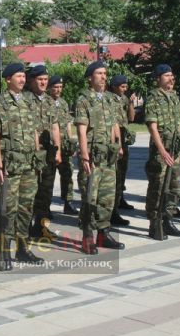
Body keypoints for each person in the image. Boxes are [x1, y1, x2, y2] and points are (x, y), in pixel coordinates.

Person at [0, 62, 44, 270]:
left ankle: (23, 248)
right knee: (7, 210)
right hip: (10, 165)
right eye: (18, 76)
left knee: (25, 208)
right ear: (8, 79)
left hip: (29, 164)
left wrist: (38, 157)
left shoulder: (28, 102)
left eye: (23, 76)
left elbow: (35, 132)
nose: (22, 80)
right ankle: (4, 252)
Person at [75, 61, 125, 254]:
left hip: (108, 156)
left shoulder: (110, 99)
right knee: (90, 198)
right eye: (99, 73)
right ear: (90, 78)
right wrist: (85, 156)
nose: (103, 77)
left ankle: (103, 233)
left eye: (105, 73)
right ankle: (87, 236)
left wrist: (118, 145)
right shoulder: (84, 99)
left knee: (107, 197)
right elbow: (81, 130)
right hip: (93, 156)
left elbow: (114, 124)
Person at [144, 64, 180, 240]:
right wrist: (162, 151)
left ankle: (168, 220)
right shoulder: (154, 98)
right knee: (158, 187)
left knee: (173, 188)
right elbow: (152, 127)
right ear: (158, 79)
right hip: (161, 152)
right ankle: (154, 222)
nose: (171, 78)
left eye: (172, 75)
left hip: (175, 150)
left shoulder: (174, 97)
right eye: (166, 76)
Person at [25, 65, 61, 240]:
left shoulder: (49, 101)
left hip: (48, 154)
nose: (43, 83)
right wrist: (35, 150)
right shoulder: (25, 100)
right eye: (40, 79)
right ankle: (27, 227)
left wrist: (58, 150)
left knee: (46, 193)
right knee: (31, 192)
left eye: (46, 79)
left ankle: (41, 227)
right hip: (32, 154)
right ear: (32, 81)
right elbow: (28, 129)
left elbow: (55, 127)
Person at [48, 75, 78, 216]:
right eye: (56, 87)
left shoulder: (64, 103)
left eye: (60, 87)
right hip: (51, 145)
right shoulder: (46, 102)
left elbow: (67, 124)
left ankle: (68, 202)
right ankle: (45, 207)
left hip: (65, 145)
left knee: (67, 174)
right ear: (50, 88)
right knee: (49, 177)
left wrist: (71, 141)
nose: (58, 90)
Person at [109, 74, 137, 226]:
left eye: (126, 86)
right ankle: (112, 210)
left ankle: (119, 199)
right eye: (122, 86)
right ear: (114, 86)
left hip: (124, 141)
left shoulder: (125, 99)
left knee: (122, 173)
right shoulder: (109, 99)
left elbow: (131, 118)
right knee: (115, 175)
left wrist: (131, 103)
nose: (125, 89)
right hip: (114, 141)